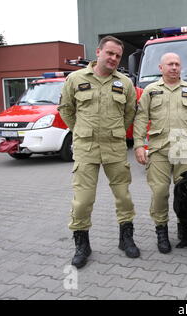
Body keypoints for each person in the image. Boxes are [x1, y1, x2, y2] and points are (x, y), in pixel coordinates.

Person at [58, 36, 140, 269]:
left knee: (123, 197)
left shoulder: (124, 83)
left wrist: (115, 132)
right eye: (110, 53)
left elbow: (129, 113)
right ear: (98, 52)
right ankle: (82, 244)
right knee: (83, 201)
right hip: (86, 148)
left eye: (117, 55)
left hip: (114, 148)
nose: (114, 58)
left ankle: (126, 238)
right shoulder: (75, 79)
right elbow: (66, 109)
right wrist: (81, 131)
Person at [133, 52, 187, 254]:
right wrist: (139, 144)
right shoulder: (151, 90)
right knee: (160, 192)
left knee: (184, 194)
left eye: (177, 64)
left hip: (184, 149)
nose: (174, 67)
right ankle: (161, 230)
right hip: (159, 150)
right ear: (161, 68)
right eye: (170, 64)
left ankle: (184, 230)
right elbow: (141, 118)